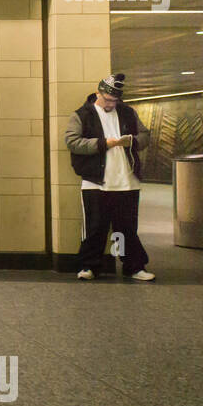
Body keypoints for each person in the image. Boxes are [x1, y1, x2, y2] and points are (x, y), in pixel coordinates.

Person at [65, 73, 156, 281]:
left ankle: (133, 266)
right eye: (108, 100)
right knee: (95, 227)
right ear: (98, 93)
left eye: (115, 101)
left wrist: (131, 141)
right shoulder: (82, 115)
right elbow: (72, 141)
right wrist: (102, 144)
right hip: (95, 182)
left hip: (127, 182)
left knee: (125, 228)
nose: (111, 104)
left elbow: (145, 136)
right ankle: (89, 266)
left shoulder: (128, 113)